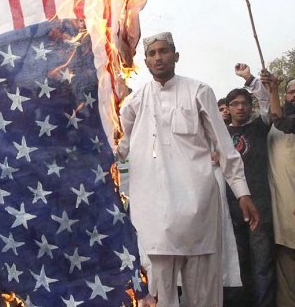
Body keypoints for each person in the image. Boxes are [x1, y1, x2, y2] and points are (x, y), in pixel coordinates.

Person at [118, 32, 259, 307]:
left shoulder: (199, 91)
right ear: (145, 61)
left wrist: (242, 192)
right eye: (152, 53)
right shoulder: (134, 103)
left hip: (198, 211)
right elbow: (119, 146)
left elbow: (225, 147)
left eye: (164, 51)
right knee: (158, 298)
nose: (158, 57)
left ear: (176, 56)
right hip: (154, 215)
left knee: (204, 296)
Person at [224, 64, 275, 307]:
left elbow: (266, 104)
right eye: (235, 104)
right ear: (229, 108)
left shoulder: (259, 128)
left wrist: (250, 79)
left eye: (245, 103)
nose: (241, 107)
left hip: (260, 207)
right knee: (238, 264)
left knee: (262, 265)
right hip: (231, 211)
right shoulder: (220, 135)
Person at [265, 76, 295, 306]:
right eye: (291, 92)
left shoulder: (287, 122)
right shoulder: (274, 125)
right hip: (281, 217)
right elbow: (276, 119)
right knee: (286, 282)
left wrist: (273, 90)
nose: (294, 96)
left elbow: (283, 122)